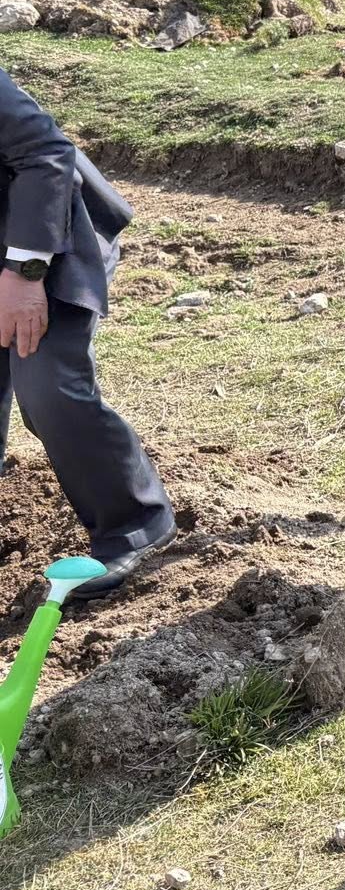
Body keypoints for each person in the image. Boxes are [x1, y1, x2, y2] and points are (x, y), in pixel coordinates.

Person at [0, 68, 177, 601]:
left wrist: (24, 275)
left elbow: (46, 153)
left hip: (43, 242)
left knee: (46, 385)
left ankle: (135, 522)